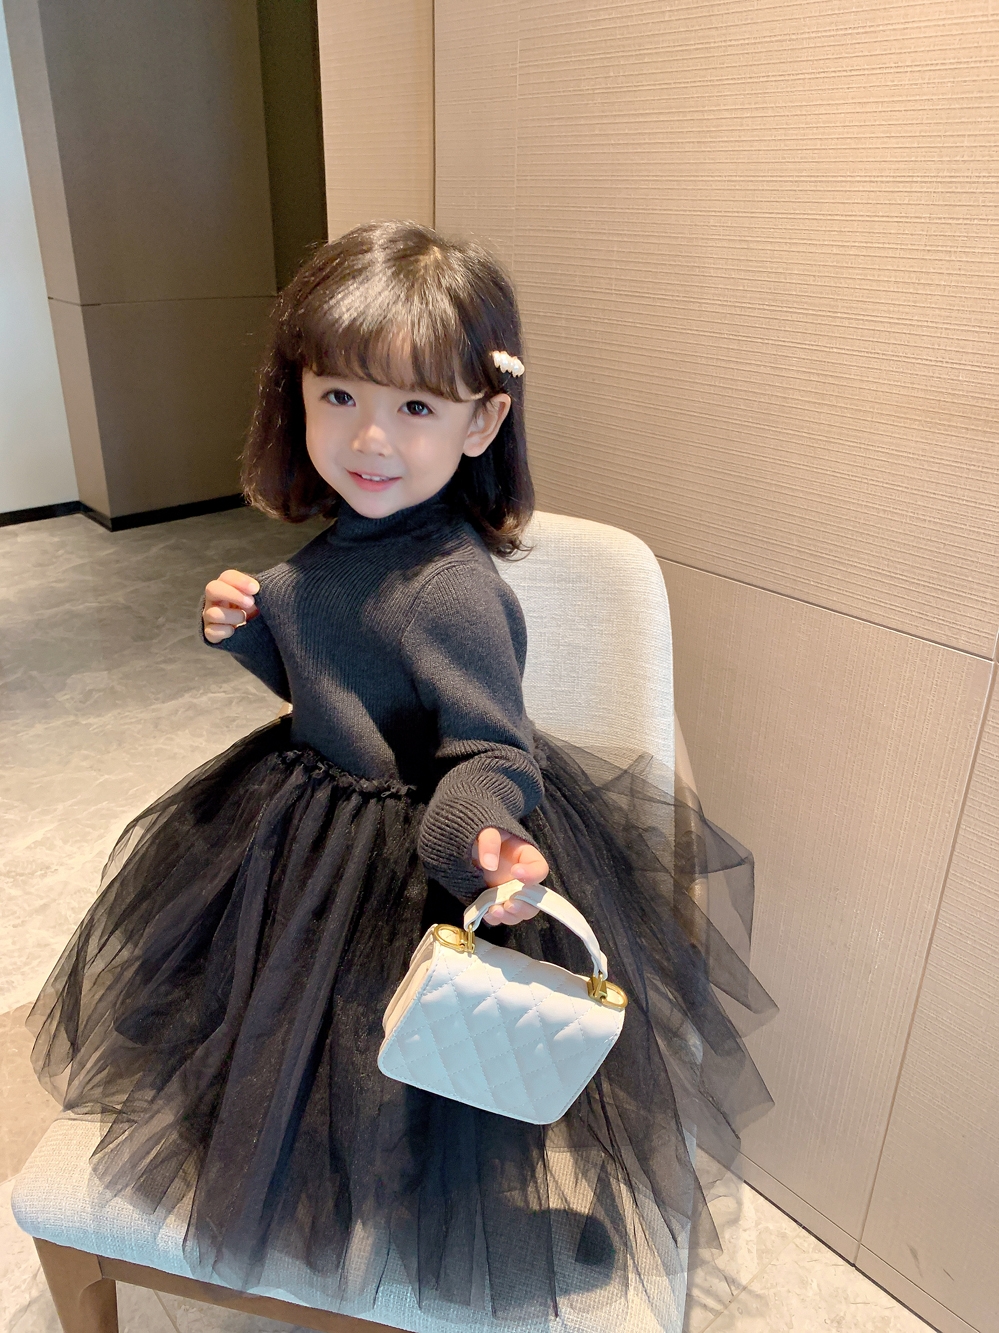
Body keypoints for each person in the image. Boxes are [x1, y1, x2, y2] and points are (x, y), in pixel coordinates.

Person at [28, 221, 776, 1330]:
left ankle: (450, 1219)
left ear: (483, 421)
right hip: (303, 822)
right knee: (292, 1033)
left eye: (416, 406)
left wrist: (473, 834)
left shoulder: (453, 591)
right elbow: (332, 687)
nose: (370, 437)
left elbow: (489, 747)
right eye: (338, 395)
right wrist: (252, 633)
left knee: (417, 1063)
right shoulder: (340, 546)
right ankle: (319, 1172)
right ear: (295, 394)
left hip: (412, 861)